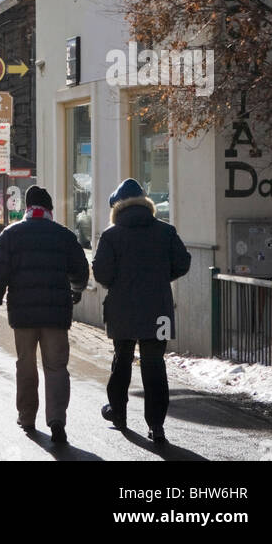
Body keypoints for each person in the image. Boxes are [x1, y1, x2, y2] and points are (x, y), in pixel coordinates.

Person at [0, 185, 89, 444]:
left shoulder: (12, 235)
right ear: (49, 209)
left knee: (26, 365)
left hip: (23, 315)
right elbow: (81, 270)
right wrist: (75, 291)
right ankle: (56, 419)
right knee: (56, 367)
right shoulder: (63, 235)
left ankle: (27, 416)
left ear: (27, 209)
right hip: (56, 316)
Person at [93, 177, 192, 443]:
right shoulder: (166, 231)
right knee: (155, 364)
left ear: (118, 207)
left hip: (122, 308)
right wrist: (161, 277)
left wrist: (118, 281)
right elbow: (183, 263)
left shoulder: (111, 235)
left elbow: (101, 272)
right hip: (158, 308)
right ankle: (156, 426)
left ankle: (119, 413)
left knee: (122, 359)